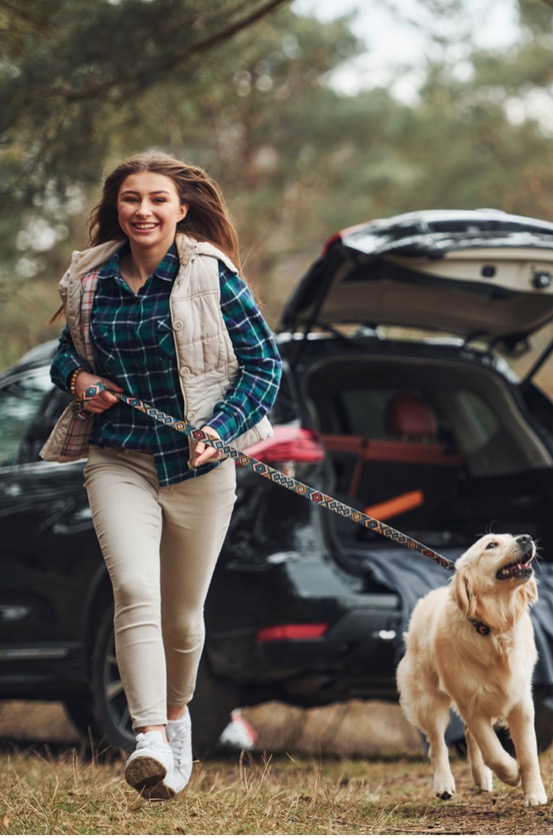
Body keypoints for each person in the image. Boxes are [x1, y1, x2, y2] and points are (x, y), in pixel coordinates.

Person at [41, 152, 282, 800]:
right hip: (117, 457)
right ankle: (147, 735)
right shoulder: (89, 278)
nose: (142, 210)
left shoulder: (210, 274)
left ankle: (178, 721)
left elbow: (264, 366)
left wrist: (222, 428)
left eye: (156, 199)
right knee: (134, 588)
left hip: (198, 469)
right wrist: (80, 379)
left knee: (181, 618)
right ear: (115, 208)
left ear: (181, 208)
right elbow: (68, 353)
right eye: (130, 199)